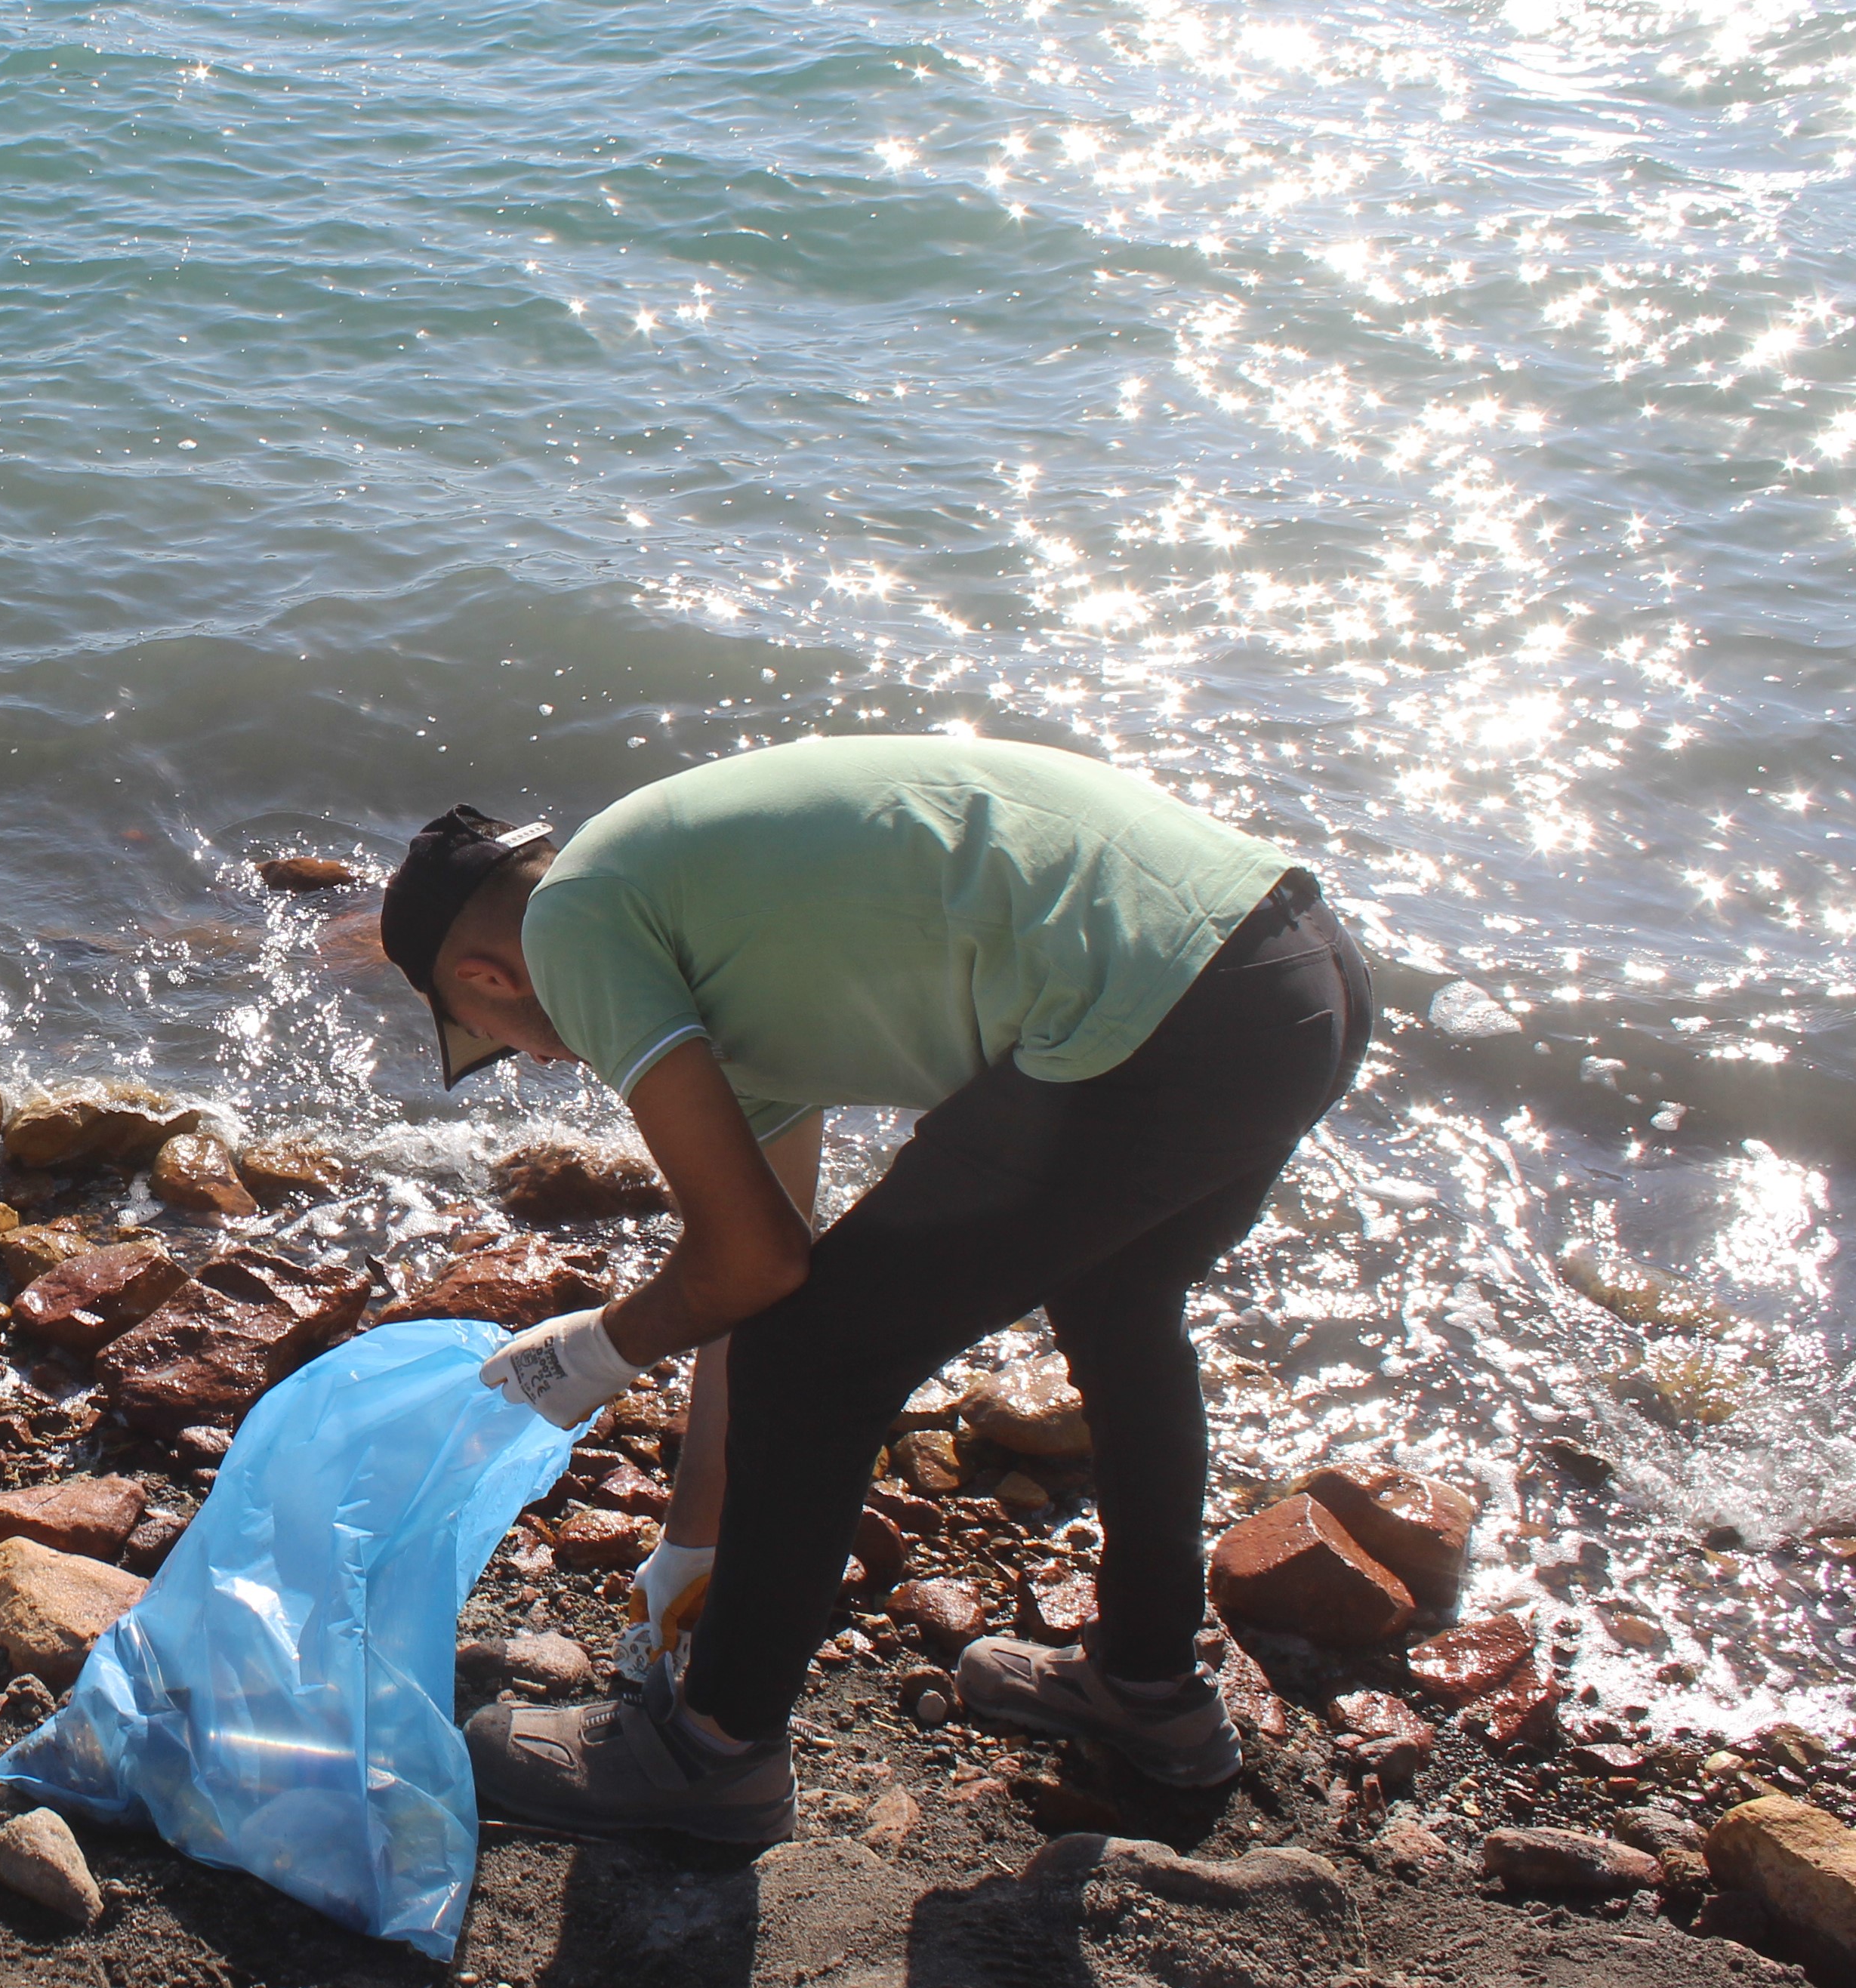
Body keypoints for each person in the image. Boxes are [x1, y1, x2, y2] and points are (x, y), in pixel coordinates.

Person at [376, 735, 1371, 1841]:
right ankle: (1150, 1690)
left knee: (821, 1361)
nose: (549, 1063)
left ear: (483, 978)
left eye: (502, 1043)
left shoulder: (571, 925)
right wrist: (690, 1552)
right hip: (1294, 978)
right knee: (1118, 1312)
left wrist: (593, 1352)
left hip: (1159, 1021)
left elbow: (759, 1283)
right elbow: (754, 1268)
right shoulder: (695, 914)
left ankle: (714, 1756)